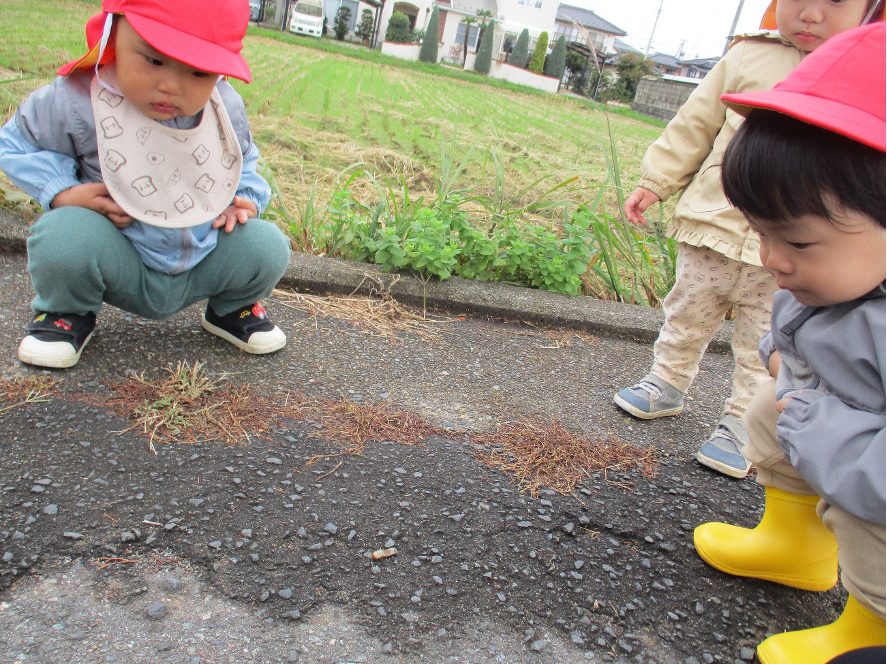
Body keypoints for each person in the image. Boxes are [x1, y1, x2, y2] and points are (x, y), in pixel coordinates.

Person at [614, 0, 884, 477]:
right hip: (714, 225)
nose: (811, 14)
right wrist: (656, 180)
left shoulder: (872, 73)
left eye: (835, 0)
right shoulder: (748, 54)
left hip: (797, 260)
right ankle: (667, 380)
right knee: (687, 309)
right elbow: (695, 123)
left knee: (770, 340)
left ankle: (742, 422)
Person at [695, 22, 885, 664]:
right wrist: (780, 358)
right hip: (823, 421)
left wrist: (829, 436)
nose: (772, 259)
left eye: (797, 241)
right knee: (766, 413)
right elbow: (795, 334)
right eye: (761, 232)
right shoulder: (840, 277)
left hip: (872, 468)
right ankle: (795, 545)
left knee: (869, 525)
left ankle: (871, 627)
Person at [0, 0, 291, 369]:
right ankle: (67, 312)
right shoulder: (77, 99)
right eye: (153, 60)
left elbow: (242, 159)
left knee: (268, 247)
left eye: (199, 73)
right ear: (113, 33)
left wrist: (244, 198)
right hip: (118, 253)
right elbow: (14, 143)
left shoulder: (225, 107)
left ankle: (232, 309)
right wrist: (62, 191)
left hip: (203, 254)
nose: (170, 85)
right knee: (63, 236)